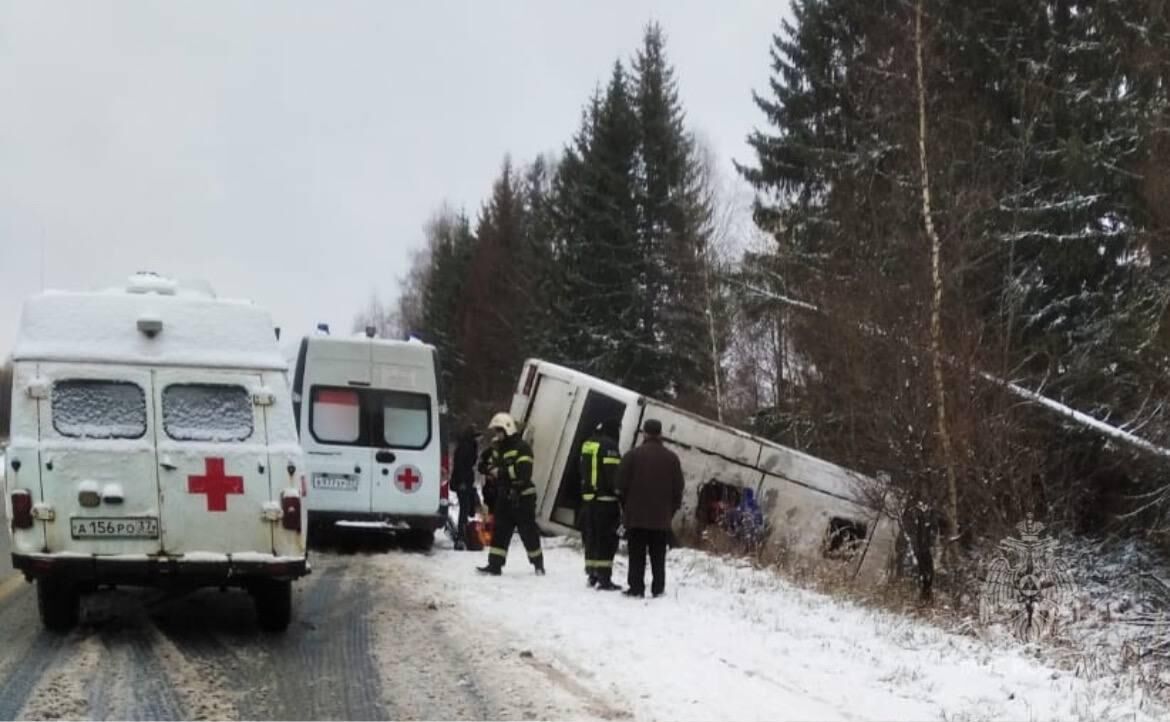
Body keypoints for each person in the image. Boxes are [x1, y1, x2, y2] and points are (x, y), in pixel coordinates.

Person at [615, 418, 684, 598]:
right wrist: (670, 512)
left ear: (644, 433)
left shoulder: (632, 455)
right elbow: (678, 490)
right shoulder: (672, 458)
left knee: (636, 554)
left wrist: (626, 508)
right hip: (661, 519)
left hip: (636, 517)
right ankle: (658, 588)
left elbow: (620, 485)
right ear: (660, 434)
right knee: (658, 555)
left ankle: (636, 588)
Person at [476, 412, 545, 576]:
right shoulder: (498, 448)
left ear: (507, 429)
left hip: (523, 498)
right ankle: (494, 565)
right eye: (496, 431)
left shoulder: (522, 448)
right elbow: (484, 464)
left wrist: (500, 472)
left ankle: (538, 564)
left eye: (499, 431)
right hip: (504, 497)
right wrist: (487, 467)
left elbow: (524, 472)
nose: (497, 435)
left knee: (528, 532)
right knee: (500, 531)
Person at [578, 418, 623, 590]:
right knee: (606, 540)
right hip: (605, 501)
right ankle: (604, 578)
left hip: (588, 500)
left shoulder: (587, 444)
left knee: (591, 538)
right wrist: (620, 493)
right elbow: (613, 475)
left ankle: (592, 573)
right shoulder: (609, 446)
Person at [451, 425, 481, 551]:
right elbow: (461, 465)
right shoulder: (466, 447)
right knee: (465, 508)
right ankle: (461, 536)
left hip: (465, 481)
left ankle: (462, 534)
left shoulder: (468, 446)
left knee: (467, 508)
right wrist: (463, 481)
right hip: (462, 482)